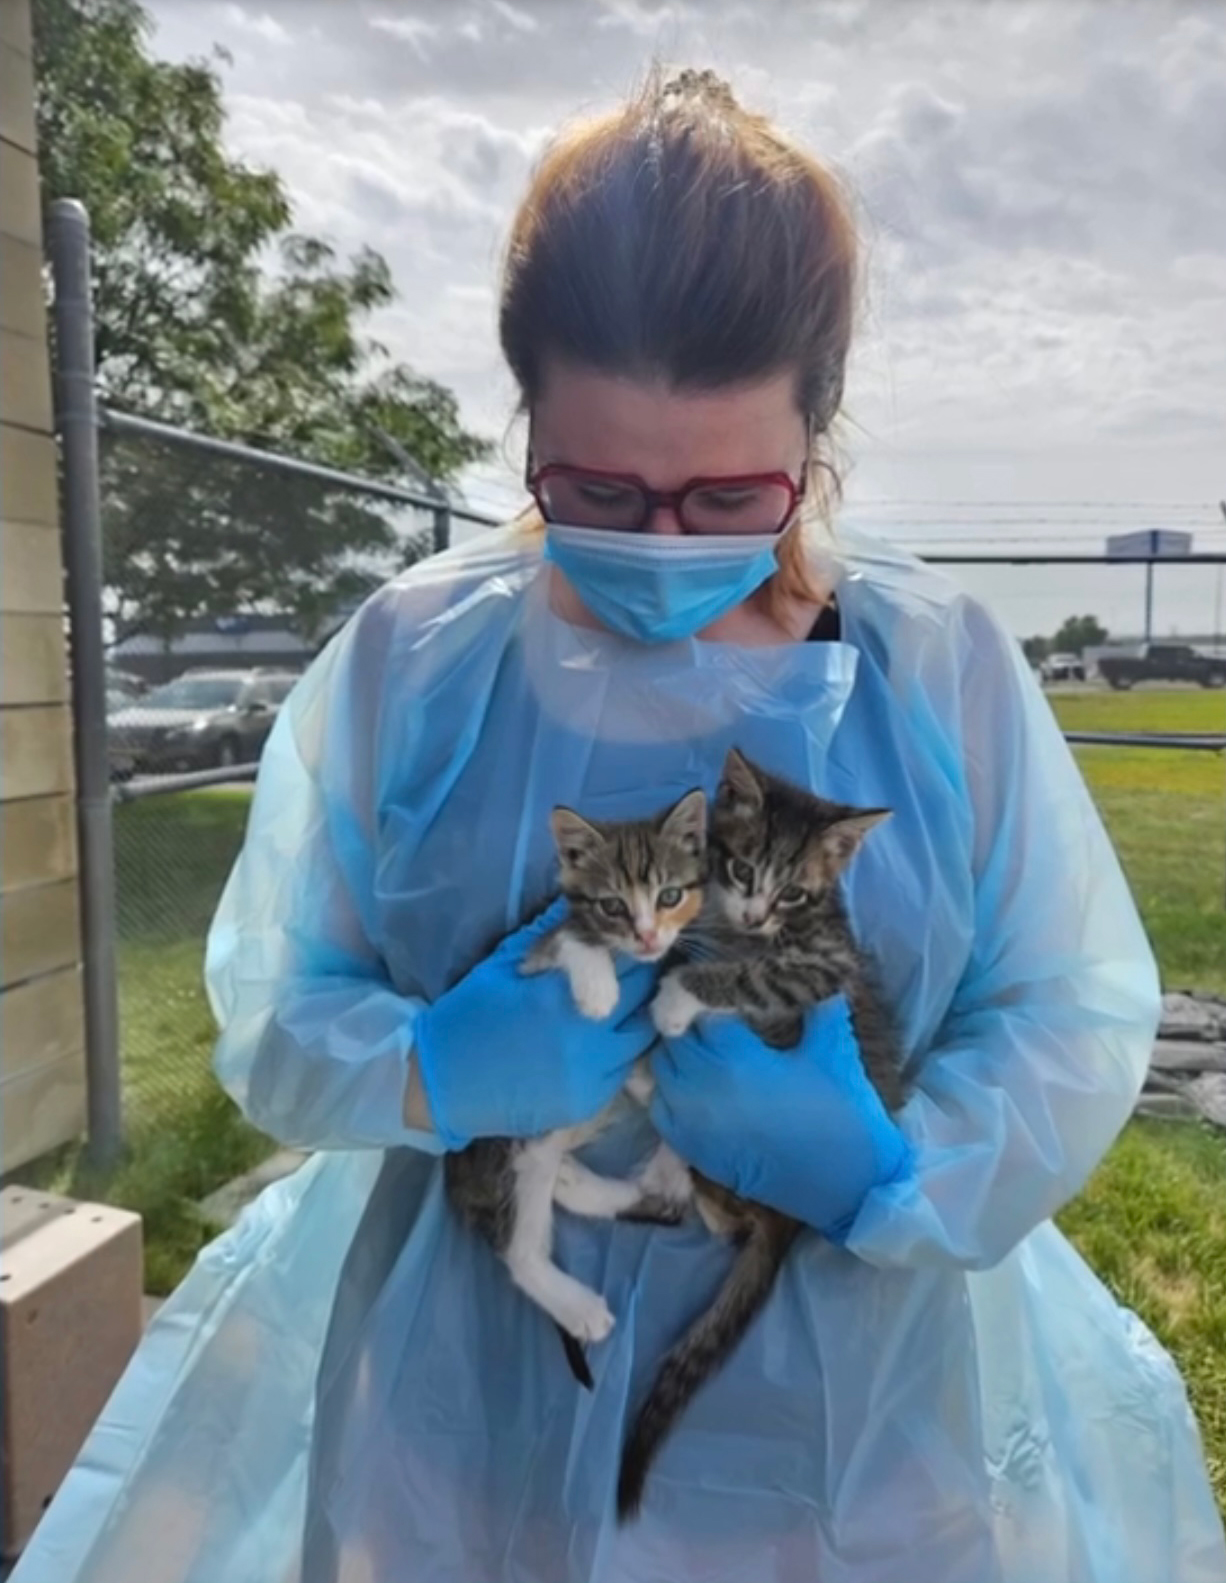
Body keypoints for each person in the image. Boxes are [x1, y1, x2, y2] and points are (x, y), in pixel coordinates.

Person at [15, 66, 1225, 1583]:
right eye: (596, 488)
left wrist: (889, 1171)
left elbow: (1063, 1008)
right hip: (463, 1424)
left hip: (847, 1439)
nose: (660, 546)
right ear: (524, 422)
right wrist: (424, 1071)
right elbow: (275, 1003)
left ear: (816, 435)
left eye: (729, 498)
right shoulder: (419, 663)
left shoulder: (933, 670)